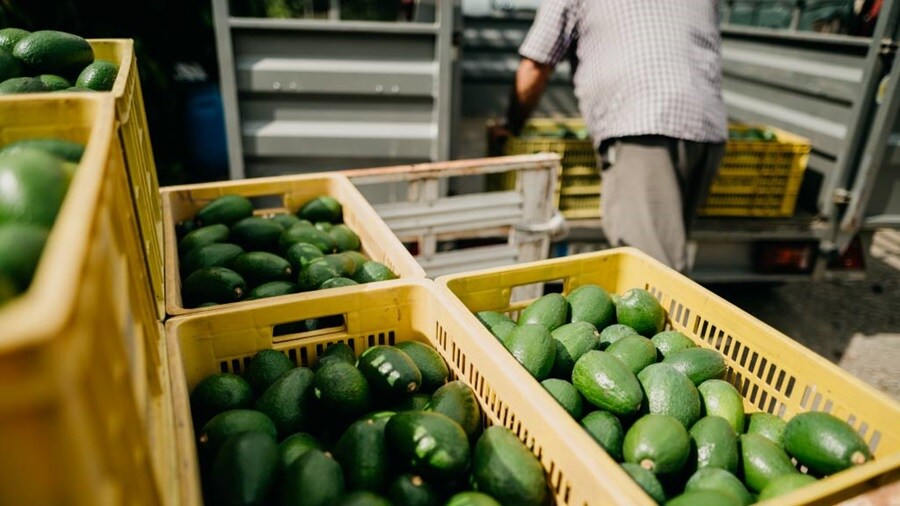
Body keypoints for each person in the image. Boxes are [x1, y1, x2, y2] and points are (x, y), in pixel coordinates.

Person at [491, 1, 728, 272]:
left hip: (643, 125)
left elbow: (536, 66)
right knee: (669, 246)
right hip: (707, 127)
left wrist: (511, 125)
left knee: (652, 269)